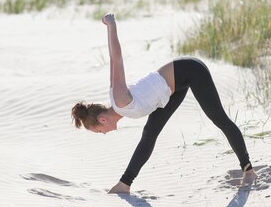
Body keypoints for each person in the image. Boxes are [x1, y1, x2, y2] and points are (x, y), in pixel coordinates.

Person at [71, 13, 257, 194]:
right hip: (171, 91)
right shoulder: (118, 102)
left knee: (219, 119)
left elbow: (116, 58)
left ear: (102, 120)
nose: (103, 133)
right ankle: (124, 184)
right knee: (149, 133)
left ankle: (248, 171)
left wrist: (111, 25)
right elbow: (112, 59)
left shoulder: (119, 100)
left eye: (98, 131)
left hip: (190, 71)